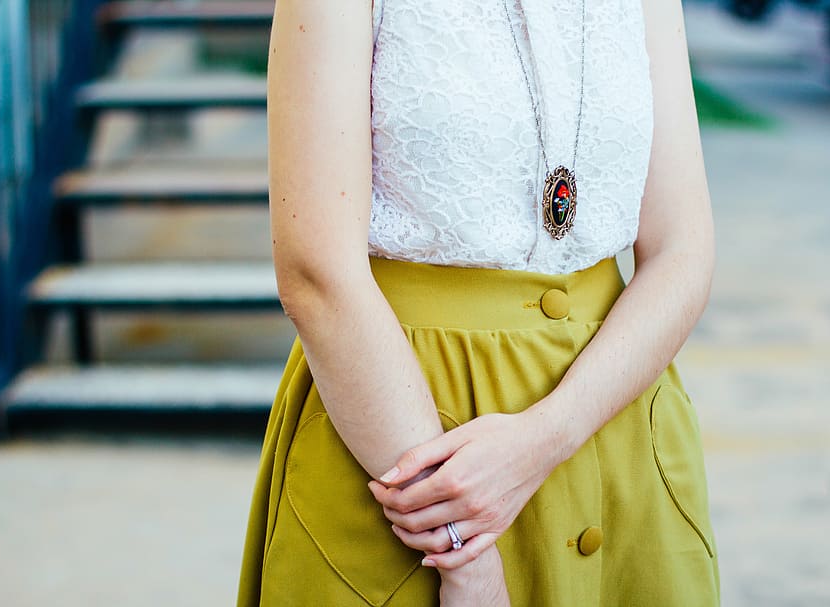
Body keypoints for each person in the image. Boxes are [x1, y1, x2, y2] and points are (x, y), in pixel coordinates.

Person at [238, 0, 720, 604]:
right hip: (407, 445)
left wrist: (549, 434)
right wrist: (462, 554)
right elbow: (317, 273)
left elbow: (684, 249)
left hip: (613, 419)